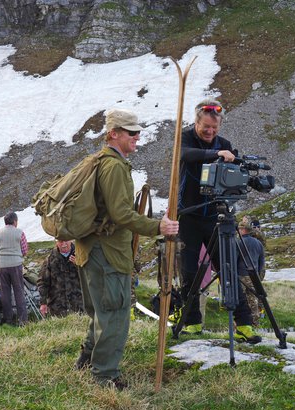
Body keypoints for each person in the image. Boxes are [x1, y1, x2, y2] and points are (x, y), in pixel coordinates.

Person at [74, 108, 179, 389]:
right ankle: (104, 375)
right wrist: (159, 227)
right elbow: (121, 215)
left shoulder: (97, 161)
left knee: (101, 310)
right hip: (108, 254)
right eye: (130, 132)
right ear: (113, 134)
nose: (137, 136)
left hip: (90, 250)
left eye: (137, 131)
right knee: (115, 314)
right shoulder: (115, 167)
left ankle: (86, 360)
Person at [177, 99, 260, 342]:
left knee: (228, 270)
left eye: (214, 128)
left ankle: (244, 324)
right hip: (189, 215)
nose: (210, 132)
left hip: (216, 216)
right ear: (196, 122)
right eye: (205, 127)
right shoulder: (185, 139)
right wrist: (215, 154)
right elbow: (184, 155)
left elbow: (234, 165)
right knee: (189, 271)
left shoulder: (225, 144)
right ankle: (192, 322)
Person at [0, 212, 28, 326]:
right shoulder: (20, 233)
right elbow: (25, 250)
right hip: (16, 264)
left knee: (5, 292)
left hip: (2, 265)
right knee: (19, 292)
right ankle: (23, 320)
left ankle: (8, 320)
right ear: (15, 221)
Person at [37, 240, 83, 317]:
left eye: (66, 241)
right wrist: (43, 303)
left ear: (71, 240)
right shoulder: (50, 259)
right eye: (60, 241)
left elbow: (92, 277)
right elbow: (43, 282)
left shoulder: (80, 255)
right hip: (58, 308)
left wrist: (79, 265)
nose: (63, 244)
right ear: (56, 242)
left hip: (80, 305)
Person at [237, 219, 266, 327]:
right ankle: (255, 322)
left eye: (239, 229)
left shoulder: (238, 242)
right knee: (253, 299)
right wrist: (258, 272)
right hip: (254, 275)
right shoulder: (258, 243)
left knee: (241, 299)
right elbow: (261, 260)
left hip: (241, 275)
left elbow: (235, 258)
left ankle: (242, 323)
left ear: (243, 230)